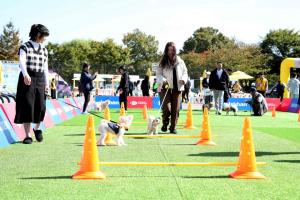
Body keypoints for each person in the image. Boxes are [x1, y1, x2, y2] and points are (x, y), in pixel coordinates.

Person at [14, 24, 50, 144]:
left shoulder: (44, 50)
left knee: (41, 107)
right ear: (38, 34)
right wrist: (25, 75)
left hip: (40, 79)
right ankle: (27, 135)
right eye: (44, 36)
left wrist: (47, 83)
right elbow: (21, 62)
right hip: (27, 79)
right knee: (27, 106)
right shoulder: (24, 46)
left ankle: (37, 128)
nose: (45, 38)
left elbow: (45, 68)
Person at [156, 42, 188, 134]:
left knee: (176, 108)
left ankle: (173, 127)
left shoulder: (180, 61)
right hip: (164, 87)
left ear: (175, 50)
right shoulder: (162, 61)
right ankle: (165, 123)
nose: (170, 51)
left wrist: (183, 79)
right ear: (166, 50)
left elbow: (185, 72)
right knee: (167, 108)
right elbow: (158, 74)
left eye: (172, 49)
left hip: (177, 88)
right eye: (169, 49)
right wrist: (163, 80)